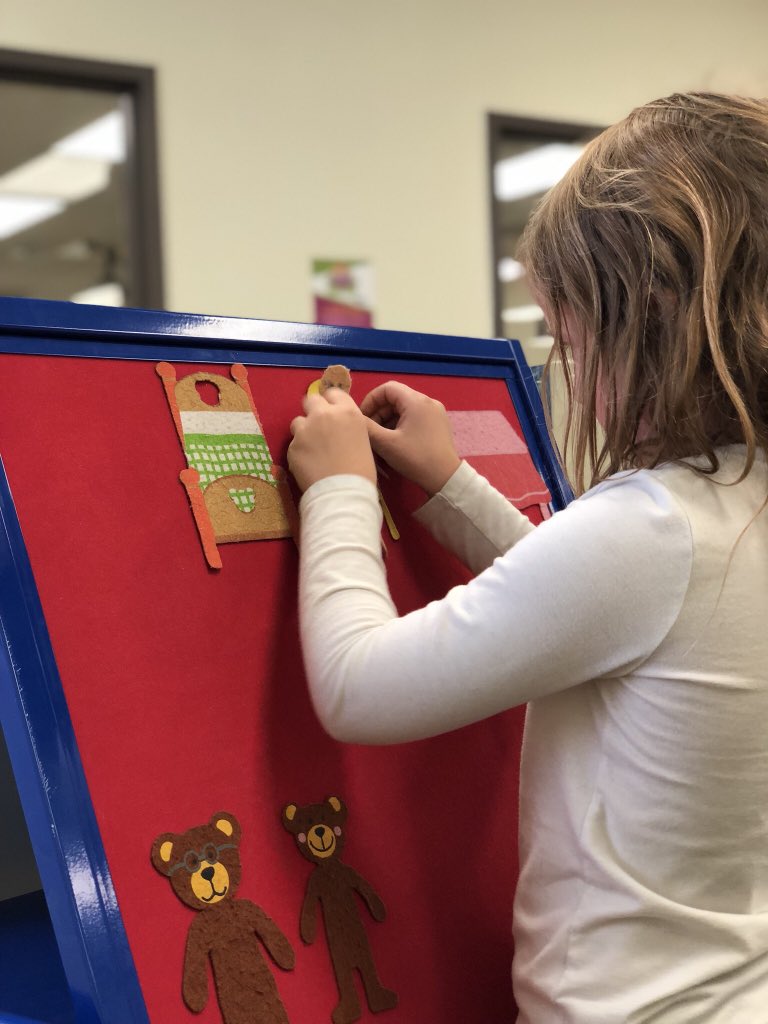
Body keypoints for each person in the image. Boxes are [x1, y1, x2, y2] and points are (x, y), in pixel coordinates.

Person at [287, 92, 768, 1023]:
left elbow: (359, 685)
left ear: (652, 318)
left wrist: (340, 486)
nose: (569, 368)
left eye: (569, 335)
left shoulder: (653, 527)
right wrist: (451, 486)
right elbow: (597, 608)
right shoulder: (723, 512)